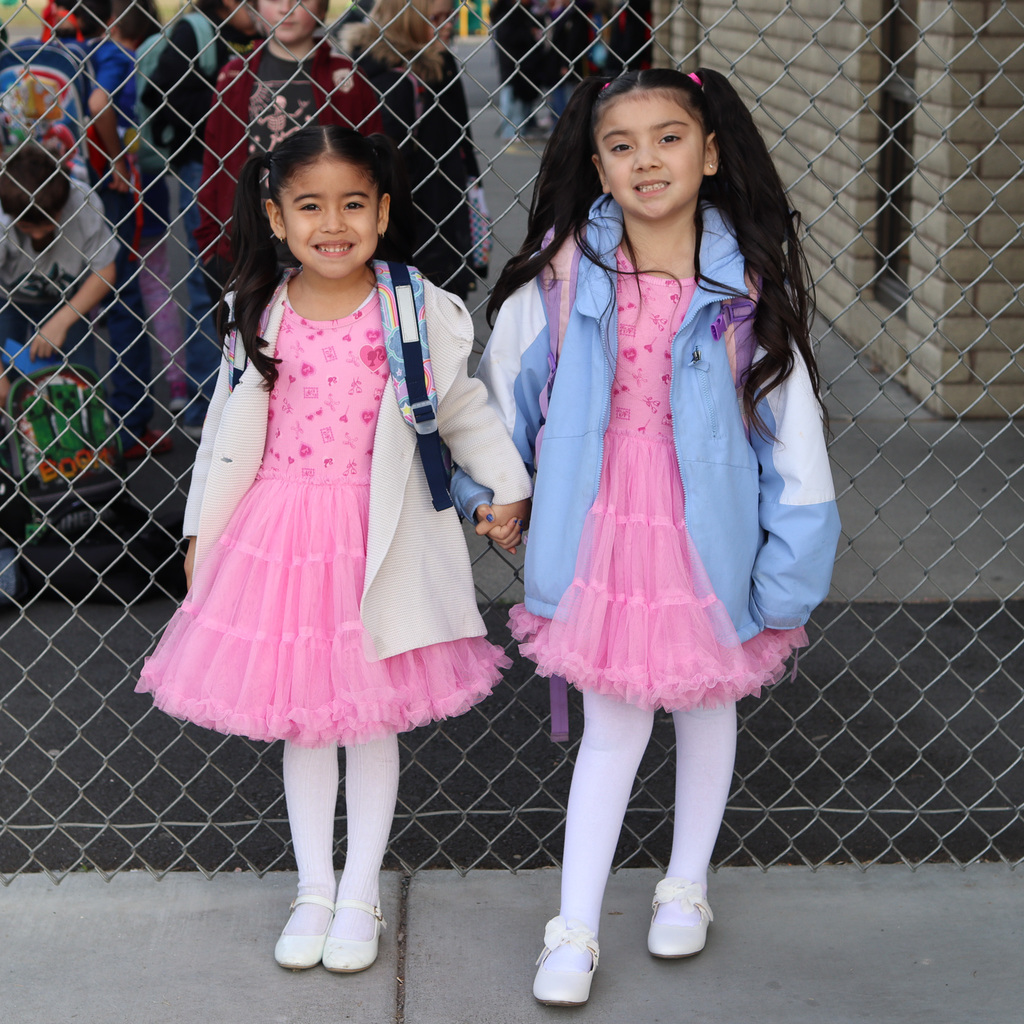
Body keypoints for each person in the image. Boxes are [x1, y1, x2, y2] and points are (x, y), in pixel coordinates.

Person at [453, 69, 840, 1006]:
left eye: (669, 139)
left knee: (710, 709)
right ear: (596, 165)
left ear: (710, 155)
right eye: (620, 146)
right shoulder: (558, 279)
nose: (646, 160)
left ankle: (686, 886)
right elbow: (498, 400)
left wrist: (789, 572)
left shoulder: (745, 286)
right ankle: (575, 928)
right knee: (614, 728)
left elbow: (794, 443)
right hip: (604, 544)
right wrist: (493, 489)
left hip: (711, 544)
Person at [135, 125, 532, 973]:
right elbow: (226, 432)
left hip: (377, 536)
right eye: (309, 206)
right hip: (280, 541)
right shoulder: (261, 308)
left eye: (354, 203)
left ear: (384, 212)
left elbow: (459, 407)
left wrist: (506, 481)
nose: (333, 223)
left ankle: (360, 890)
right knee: (307, 725)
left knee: (369, 719)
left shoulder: (411, 306)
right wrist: (203, 528)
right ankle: (313, 886)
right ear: (277, 219)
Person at [194, 0, 381, 305]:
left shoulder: (346, 77)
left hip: (326, 244)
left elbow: (374, 164)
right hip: (250, 250)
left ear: (321, 8)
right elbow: (213, 166)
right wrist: (211, 245)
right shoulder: (234, 77)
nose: (286, 8)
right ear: (254, 6)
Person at [137, 0, 260, 435]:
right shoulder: (195, 30)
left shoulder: (246, 38)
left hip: (241, 166)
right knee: (209, 274)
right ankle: (205, 401)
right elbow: (159, 90)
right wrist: (220, 105)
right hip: (202, 163)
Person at [340, 0, 477, 298]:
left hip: (445, 210)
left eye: (449, 16)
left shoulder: (440, 63)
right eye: (435, 18)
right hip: (418, 225)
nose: (448, 25)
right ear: (407, 22)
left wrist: (472, 176)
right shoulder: (393, 81)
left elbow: (461, 132)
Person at [0, 143, 117, 406]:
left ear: (62, 207)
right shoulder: (3, 216)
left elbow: (105, 270)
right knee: (7, 390)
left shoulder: (80, 201)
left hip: (66, 300)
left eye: (47, 222)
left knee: (81, 379)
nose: (39, 235)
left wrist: (61, 321)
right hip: (6, 299)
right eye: (28, 227)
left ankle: (86, 437)